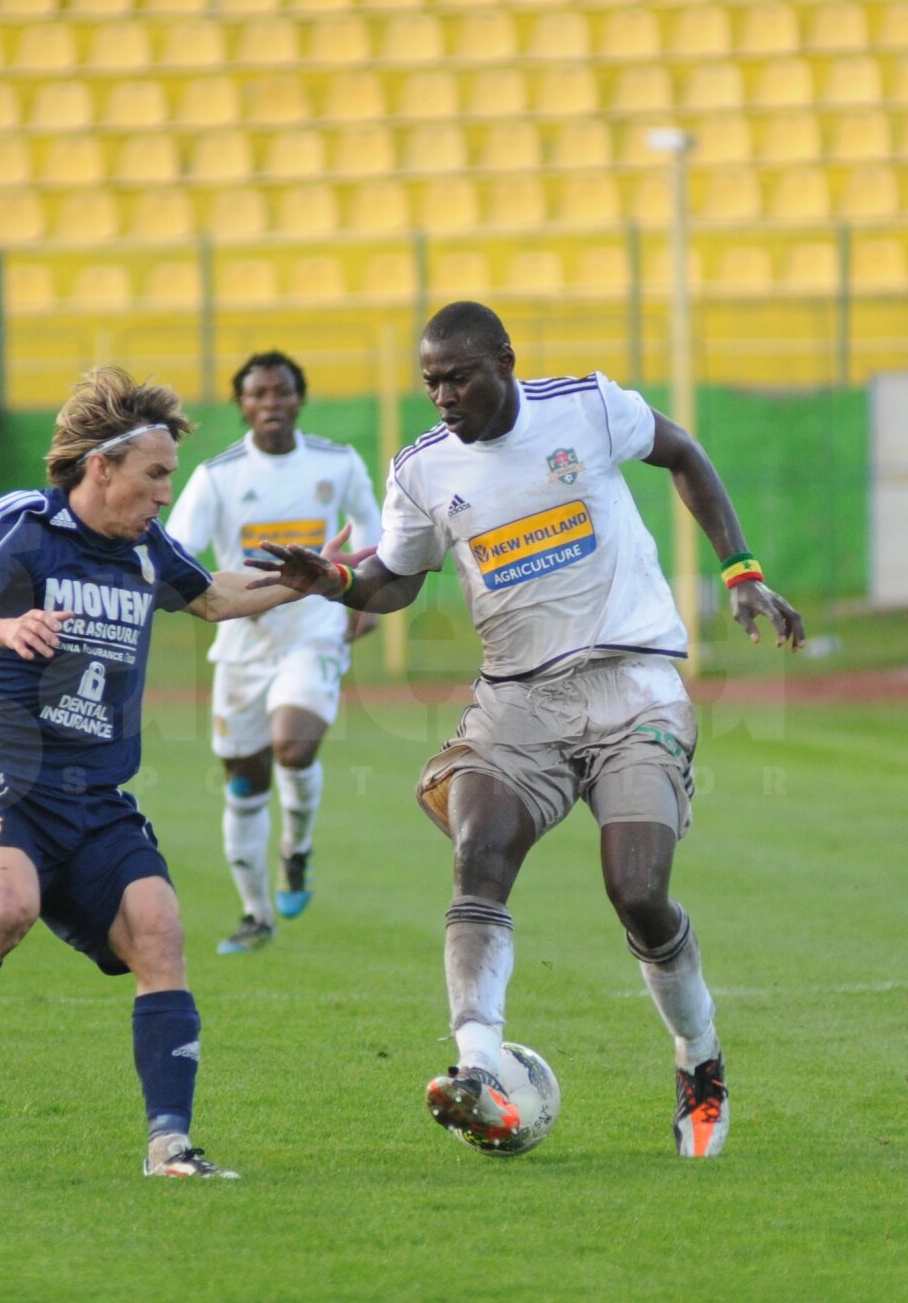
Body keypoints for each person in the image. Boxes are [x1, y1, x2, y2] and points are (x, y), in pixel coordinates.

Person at [247, 302, 805, 1159]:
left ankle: (699, 1058)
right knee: (480, 853)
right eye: (430, 382)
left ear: (504, 362)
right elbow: (396, 576)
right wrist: (337, 581)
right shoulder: (422, 470)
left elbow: (684, 451)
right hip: (517, 703)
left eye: (458, 377)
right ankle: (477, 1066)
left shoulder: (587, 407)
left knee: (637, 891)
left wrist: (742, 570)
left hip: (634, 688)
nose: (443, 396)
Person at [0, 366, 339, 1179]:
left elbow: (212, 596)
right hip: (5, 778)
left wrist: (301, 583)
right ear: (102, 467)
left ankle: (169, 1147)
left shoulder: (145, 547)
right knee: (7, 908)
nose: (165, 493)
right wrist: (6, 629)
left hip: (97, 795)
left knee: (160, 932)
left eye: (171, 477)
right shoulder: (22, 524)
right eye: (155, 475)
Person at [165, 351, 382, 954]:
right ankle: (255, 914)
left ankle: (296, 848)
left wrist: (364, 600)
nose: (271, 403)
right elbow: (178, 551)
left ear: (299, 397)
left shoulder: (337, 462)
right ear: (242, 404)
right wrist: (210, 596)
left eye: (281, 391)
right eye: (258, 394)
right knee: (244, 784)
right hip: (242, 643)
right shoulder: (218, 475)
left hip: (313, 630)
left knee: (294, 745)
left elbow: (372, 530)